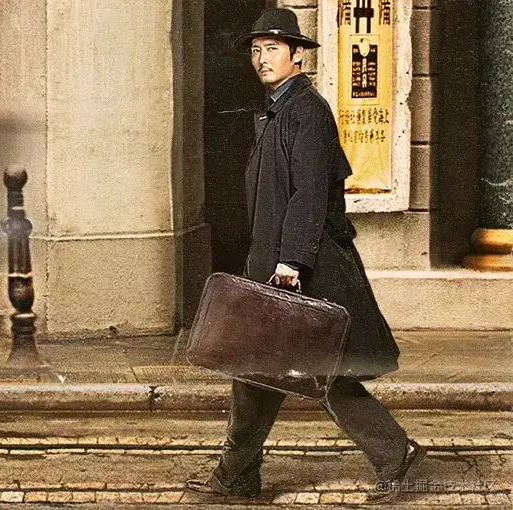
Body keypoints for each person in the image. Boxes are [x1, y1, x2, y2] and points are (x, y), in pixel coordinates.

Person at [186, 8, 426, 504]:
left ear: (298, 55)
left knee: (322, 372)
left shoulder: (307, 111)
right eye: (256, 50)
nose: (261, 59)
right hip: (276, 263)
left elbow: (309, 194)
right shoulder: (279, 109)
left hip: (306, 269)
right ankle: (238, 474)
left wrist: (291, 263)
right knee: (256, 370)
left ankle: (395, 453)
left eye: (272, 49)